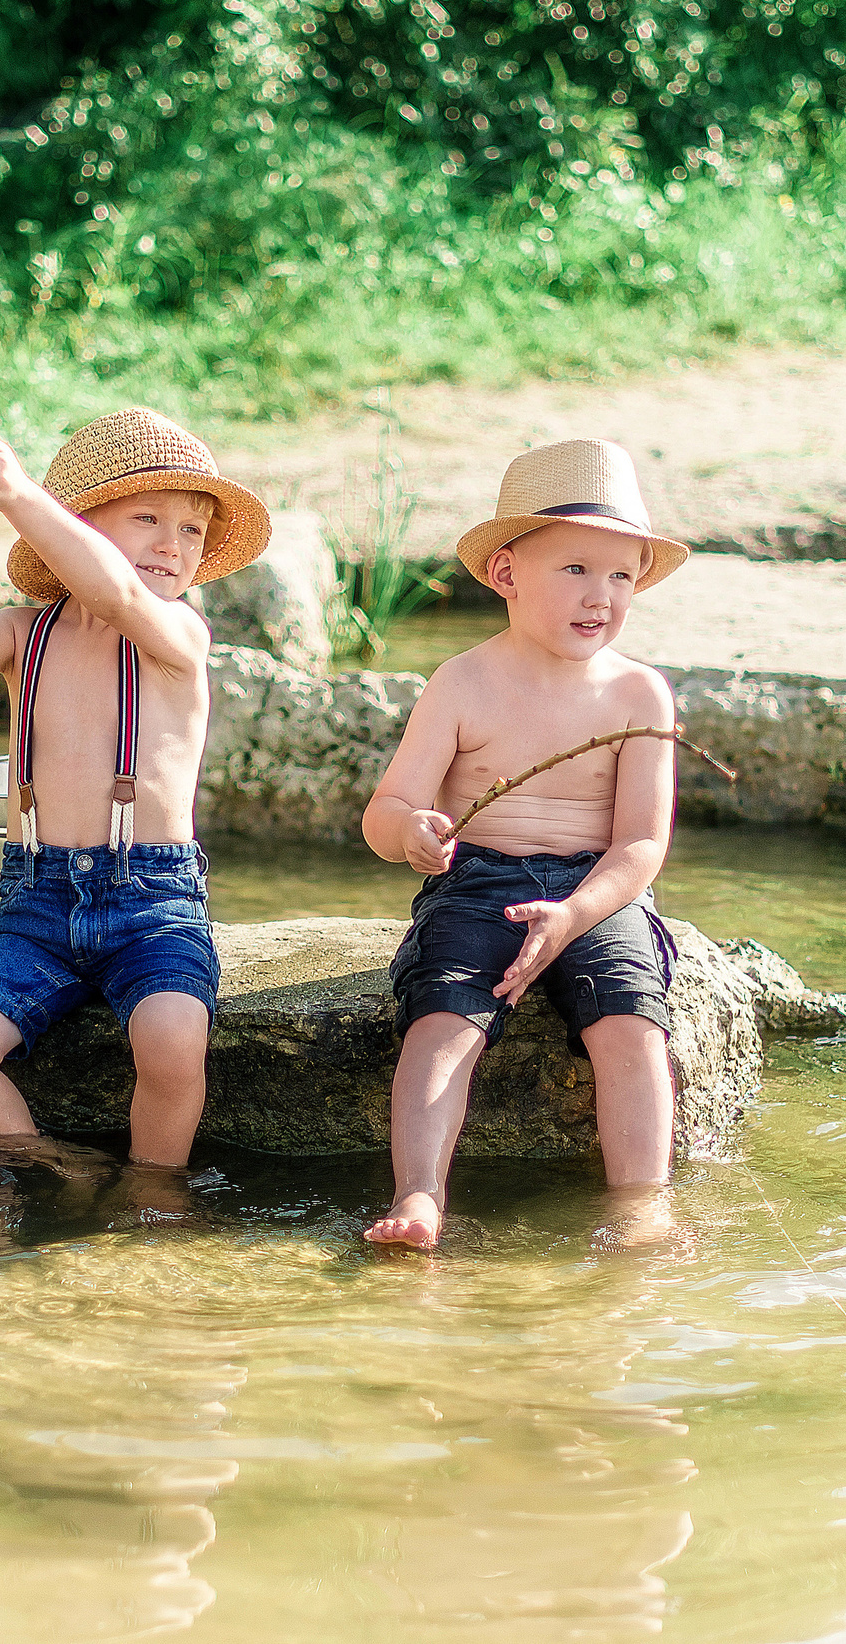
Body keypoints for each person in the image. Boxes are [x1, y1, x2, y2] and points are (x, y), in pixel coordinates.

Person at [0, 407, 271, 1174]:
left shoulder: (176, 634)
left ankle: (155, 1195)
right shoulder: (20, 633)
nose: (172, 542)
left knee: (171, 1038)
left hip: (153, 900)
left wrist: (18, 494)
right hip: (36, 903)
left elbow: (121, 596)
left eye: (192, 530)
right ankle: (49, 1167)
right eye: (146, 517)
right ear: (78, 528)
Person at [359, 438, 690, 1250]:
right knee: (443, 1021)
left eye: (622, 575)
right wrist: (413, 831)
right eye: (576, 569)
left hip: (593, 888)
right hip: (479, 884)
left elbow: (642, 843)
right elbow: (386, 807)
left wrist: (578, 913)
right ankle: (421, 1193)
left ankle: (640, 1202)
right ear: (506, 573)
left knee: (631, 1025)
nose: (600, 595)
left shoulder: (637, 692)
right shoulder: (463, 682)